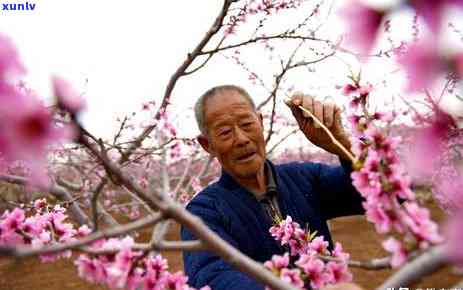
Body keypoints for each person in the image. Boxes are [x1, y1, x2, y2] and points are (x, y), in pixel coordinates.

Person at [181, 85, 365, 290]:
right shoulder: (203, 212)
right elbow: (212, 277)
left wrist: (343, 145)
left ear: (260, 122)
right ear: (207, 144)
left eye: (247, 124)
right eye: (225, 132)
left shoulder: (304, 177)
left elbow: (373, 194)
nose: (241, 139)